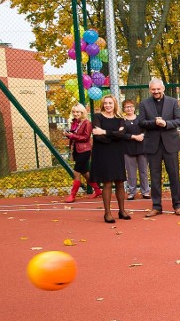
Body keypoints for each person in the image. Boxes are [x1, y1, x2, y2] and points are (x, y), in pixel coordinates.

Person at [139, 77, 180, 216]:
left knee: (174, 176)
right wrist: (154, 122)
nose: (156, 91)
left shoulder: (173, 102)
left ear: (163, 88)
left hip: (170, 144)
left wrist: (166, 124)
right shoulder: (144, 104)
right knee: (155, 177)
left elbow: (179, 120)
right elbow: (141, 122)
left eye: (158, 89)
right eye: (153, 89)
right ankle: (157, 206)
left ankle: (177, 205)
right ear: (150, 90)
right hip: (153, 145)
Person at [91, 95, 130, 224]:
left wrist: (105, 132)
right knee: (107, 183)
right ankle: (107, 213)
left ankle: (122, 210)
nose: (108, 105)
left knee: (119, 182)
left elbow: (122, 135)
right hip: (103, 153)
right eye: (106, 103)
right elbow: (97, 137)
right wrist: (113, 135)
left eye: (110, 103)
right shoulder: (97, 117)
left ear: (115, 104)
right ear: (103, 104)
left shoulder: (120, 118)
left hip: (117, 153)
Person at [62, 103, 102, 202]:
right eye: (74, 112)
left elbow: (86, 137)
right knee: (85, 172)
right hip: (76, 149)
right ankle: (97, 190)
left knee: (76, 172)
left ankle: (72, 195)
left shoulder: (87, 123)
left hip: (84, 150)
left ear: (82, 112)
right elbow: (74, 135)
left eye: (78, 112)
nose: (75, 114)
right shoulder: (75, 122)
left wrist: (72, 136)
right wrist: (67, 134)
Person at [121, 99, 149, 201]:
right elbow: (121, 134)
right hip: (128, 149)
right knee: (131, 172)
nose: (129, 109)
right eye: (127, 107)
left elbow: (146, 130)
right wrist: (133, 136)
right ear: (124, 109)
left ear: (134, 107)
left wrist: (142, 135)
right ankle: (132, 192)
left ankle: (145, 191)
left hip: (142, 148)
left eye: (131, 106)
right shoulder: (122, 120)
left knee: (143, 171)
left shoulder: (140, 119)